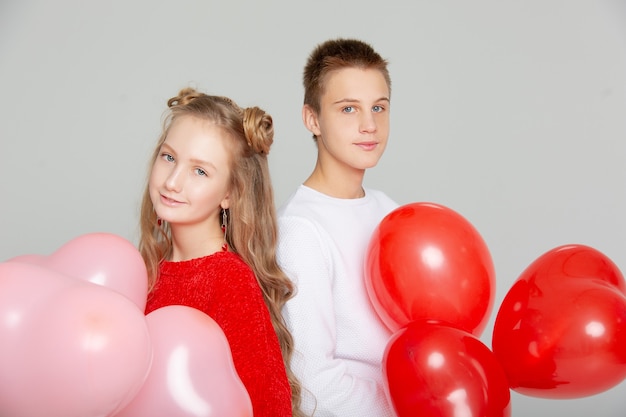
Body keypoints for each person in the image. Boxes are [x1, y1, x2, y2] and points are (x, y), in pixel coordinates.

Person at [138, 87, 304, 417]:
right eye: (169, 157)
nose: (172, 181)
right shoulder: (142, 270)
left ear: (229, 193)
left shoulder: (231, 283)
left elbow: (270, 407)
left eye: (199, 171)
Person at [276, 38, 399, 417]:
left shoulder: (393, 213)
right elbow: (313, 379)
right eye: (348, 109)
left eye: (379, 108)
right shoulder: (300, 229)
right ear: (312, 119)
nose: (369, 125)